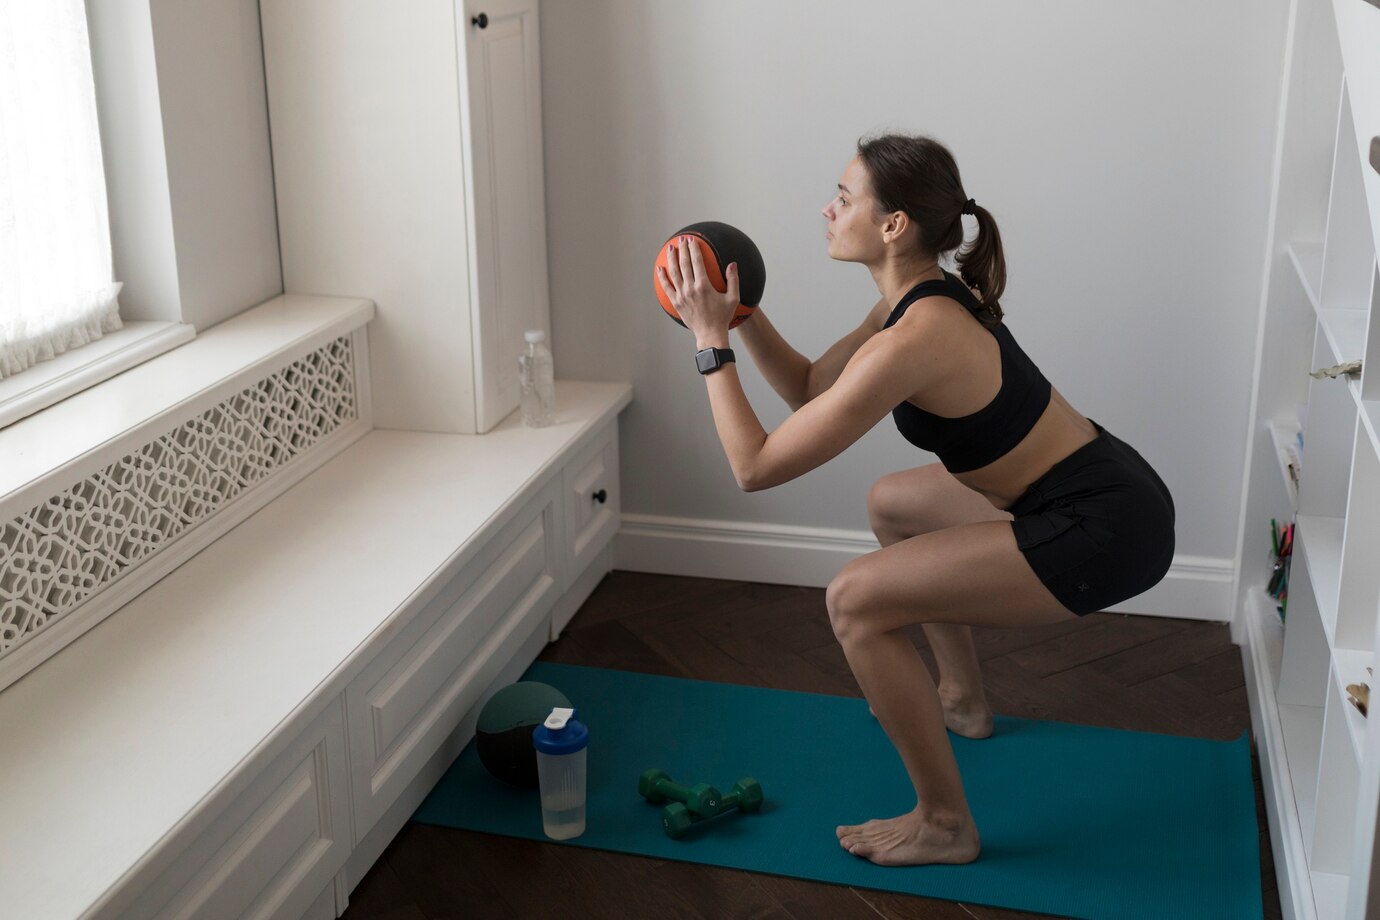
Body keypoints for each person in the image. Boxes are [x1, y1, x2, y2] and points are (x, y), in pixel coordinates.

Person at [655, 132, 1176, 867]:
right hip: (1093, 486)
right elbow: (810, 388)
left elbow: (756, 466)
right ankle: (960, 702)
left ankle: (944, 823)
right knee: (893, 504)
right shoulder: (914, 299)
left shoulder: (918, 335)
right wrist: (740, 315)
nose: (827, 209)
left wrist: (711, 347)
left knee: (855, 602)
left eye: (844, 197)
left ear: (893, 224)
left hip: (1106, 527)